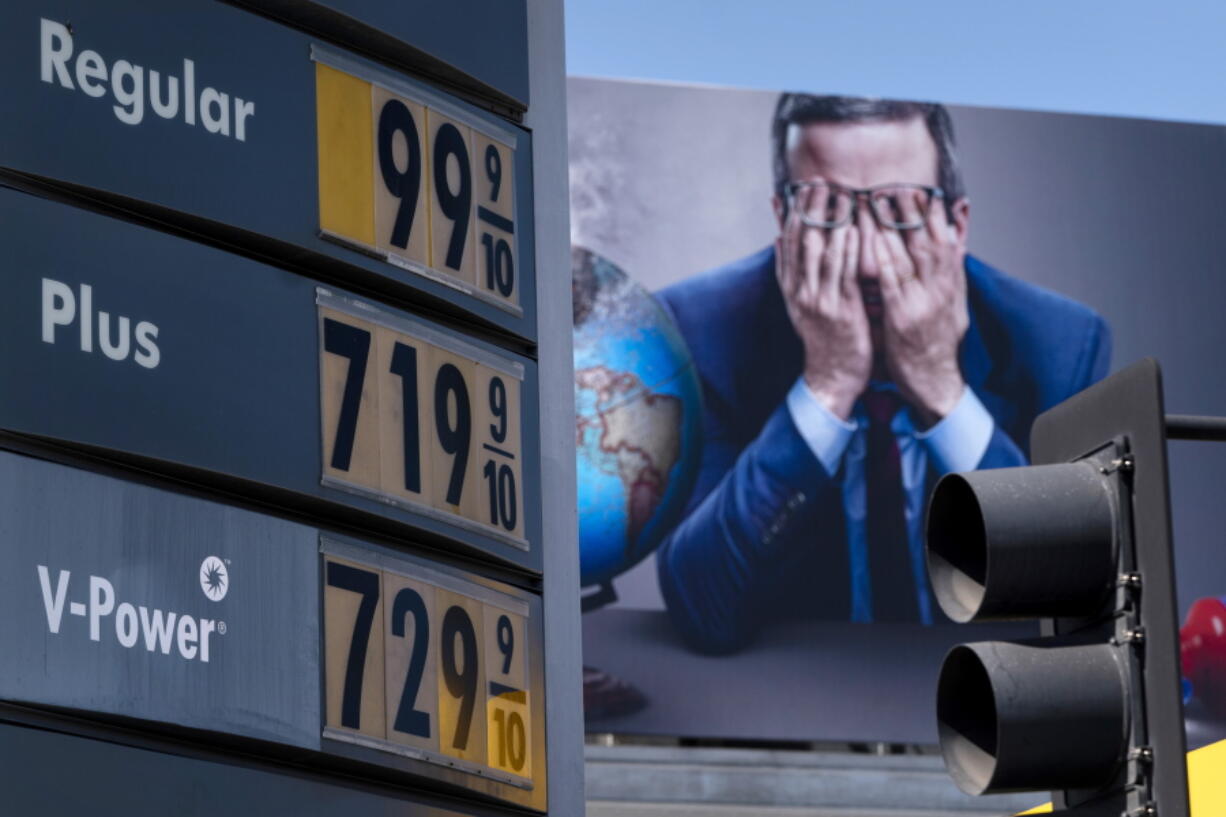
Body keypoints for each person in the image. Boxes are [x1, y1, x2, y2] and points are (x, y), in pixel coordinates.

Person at [654, 94, 1111, 653]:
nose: (868, 261)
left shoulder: (1059, 345)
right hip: (795, 710)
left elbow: (1073, 598)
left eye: (900, 209)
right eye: (827, 208)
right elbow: (704, 608)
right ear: (783, 220)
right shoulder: (699, 333)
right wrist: (826, 385)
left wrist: (942, 388)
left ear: (956, 223)